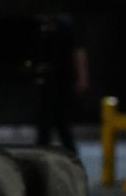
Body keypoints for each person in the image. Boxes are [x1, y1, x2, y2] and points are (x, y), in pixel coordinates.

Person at [34, 11, 89, 156]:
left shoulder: (65, 24)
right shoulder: (37, 26)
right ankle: (41, 158)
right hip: (45, 80)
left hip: (62, 80)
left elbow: (78, 51)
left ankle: (72, 159)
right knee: (43, 126)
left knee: (62, 123)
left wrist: (82, 77)